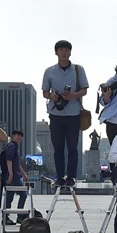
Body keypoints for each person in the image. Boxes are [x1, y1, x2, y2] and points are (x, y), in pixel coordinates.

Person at [41, 40, 89, 187]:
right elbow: (44, 92)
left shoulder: (78, 69)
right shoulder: (49, 71)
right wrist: (52, 96)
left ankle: (72, 177)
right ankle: (60, 177)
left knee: (73, 147)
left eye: (67, 50)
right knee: (58, 148)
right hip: (56, 114)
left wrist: (73, 95)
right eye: (61, 50)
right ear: (56, 52)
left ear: (70, 52)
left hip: (73, 113)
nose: (64, 52)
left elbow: (85, 90)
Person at [2, 129, 28, 209]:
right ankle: (19, 216)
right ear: (13, 136)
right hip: (13, 176)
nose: (19, 137)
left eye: (21, 136)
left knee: (9, 197)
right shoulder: (12, 146)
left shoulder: (14, 146)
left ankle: (6, 218)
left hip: (12, 174)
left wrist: (24, 175)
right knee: (23, 194)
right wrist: (11, 173)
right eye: (17, 135)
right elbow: (8, 159)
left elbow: (17, 164)